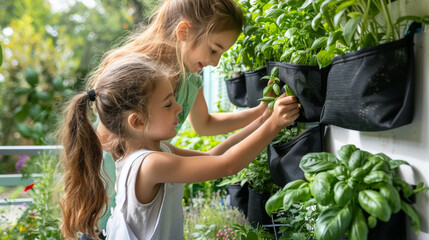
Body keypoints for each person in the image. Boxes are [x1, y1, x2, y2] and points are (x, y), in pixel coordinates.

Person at [59, 53, 299, 239]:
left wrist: (261, 120)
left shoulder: (156, 151)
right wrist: (275, 125)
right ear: (138, 121)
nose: (179, 108)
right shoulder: (150, 164)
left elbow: (213, 155)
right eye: (167, 104)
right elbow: (227, 165)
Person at [87, 0, 273, 235]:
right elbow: (105, 141)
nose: (215, 63)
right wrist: (156, 162)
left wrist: (259, 114)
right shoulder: (135, 75)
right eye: (214, 49)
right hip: (110, 207)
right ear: (183, 31)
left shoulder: (190, 76)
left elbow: (205, 124)